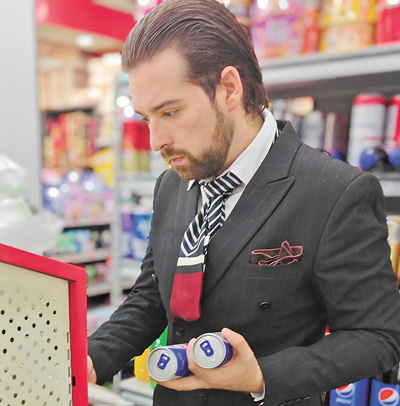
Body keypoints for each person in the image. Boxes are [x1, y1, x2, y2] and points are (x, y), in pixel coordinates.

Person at [87, 1, 400, 405]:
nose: (155, 141)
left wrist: (261, 376)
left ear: (229, 88)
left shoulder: (334, 192)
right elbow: (151, 296)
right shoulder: (172, 185)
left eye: (170, 112)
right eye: (148, 118)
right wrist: (93, 358)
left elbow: (377, 335)